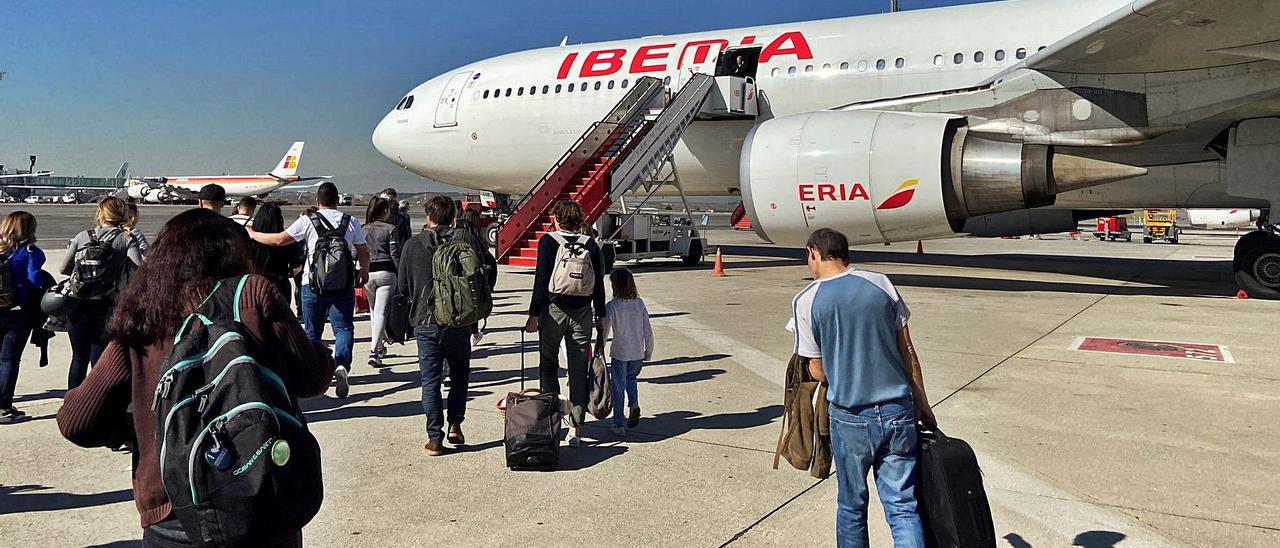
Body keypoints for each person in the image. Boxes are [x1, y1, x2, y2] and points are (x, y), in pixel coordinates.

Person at [57, 208, 334, 547]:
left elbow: (77, 422)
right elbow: (314, 379)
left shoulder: (145, 311)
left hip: (172, 505)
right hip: (259, 487)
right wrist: (321, 352)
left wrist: (150, 429)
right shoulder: (252, 294)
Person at [790, 228, 935, 548]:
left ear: (813, 253)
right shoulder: (881, 283)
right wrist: (922, 402)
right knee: (902, 507)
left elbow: (817, 369)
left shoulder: (806, 300)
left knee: (852, 507)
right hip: (898, 409)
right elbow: (907, 350)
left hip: (851, 417)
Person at [248, 182, 369, 399]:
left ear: (317, 201)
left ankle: (313, 373)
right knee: (343, 328)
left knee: (312, 331)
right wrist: (364, 272)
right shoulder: (351, 221)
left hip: (312, 285)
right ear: (338, 200)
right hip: (342, 285)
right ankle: (342, 365)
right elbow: (363, 251)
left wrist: (253, 234)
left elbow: (279, 240)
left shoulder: (308, 221)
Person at [398, 196, 488, 456]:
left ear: (428, 217)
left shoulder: (412, 245)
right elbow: (483, 274)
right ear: (453, 217)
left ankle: (434, 437)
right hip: (459, 320)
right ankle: (455, 425)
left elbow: (403, 287)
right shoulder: (464, 243)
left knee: (430, 381)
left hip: (425, 321)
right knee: (460, 373)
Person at [523, 199, 606, 448]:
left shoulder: (548, 242)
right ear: (579, 219)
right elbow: (599, 283)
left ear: (556, 219)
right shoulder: (590, 244)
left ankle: (551, 418)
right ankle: (576, 429)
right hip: (582, 312)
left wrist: (533, 313)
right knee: (578, 370)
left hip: (553, 311)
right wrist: (600, 314)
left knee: (548, 364)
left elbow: (541, 280)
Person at [60, 196, 144, 389]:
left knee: (78, 357)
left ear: (100, 213)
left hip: (78, 303)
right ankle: (96, 401)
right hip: (107, 304)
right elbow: (138, 269)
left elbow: (64, 268)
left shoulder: (83, 236)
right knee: (99, 358)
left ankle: (72, 402)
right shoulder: (126, 239)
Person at [0, 212, 45, 424]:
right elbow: (35, 281)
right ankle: (3, 406)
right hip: (17, 311)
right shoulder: (30, 252)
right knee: (9, 359)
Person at [601, 268, 653, 436]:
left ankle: (618, 423)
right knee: (632, 379)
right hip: (637, 352)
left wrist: (599, 349)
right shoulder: (639, 303)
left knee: (618, 386)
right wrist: (649, 350)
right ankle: (634, 403)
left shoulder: (612, 306)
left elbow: (605, 330)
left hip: (620, 352)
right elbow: (647, 328)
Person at [361, 196, 401, 367]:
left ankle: (378, 346)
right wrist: (401, 273)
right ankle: (374, 350)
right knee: (381, 313)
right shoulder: (390, 229)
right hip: (387, 273)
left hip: (368, 273)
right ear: (385, 211)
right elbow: (395, 254)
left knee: (373, 312)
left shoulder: (363, 229)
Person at [249, 202, 302, 300]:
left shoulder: (252, 240)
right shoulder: (286, 241)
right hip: (280, 283)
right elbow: (296, 266)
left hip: (256, 283)